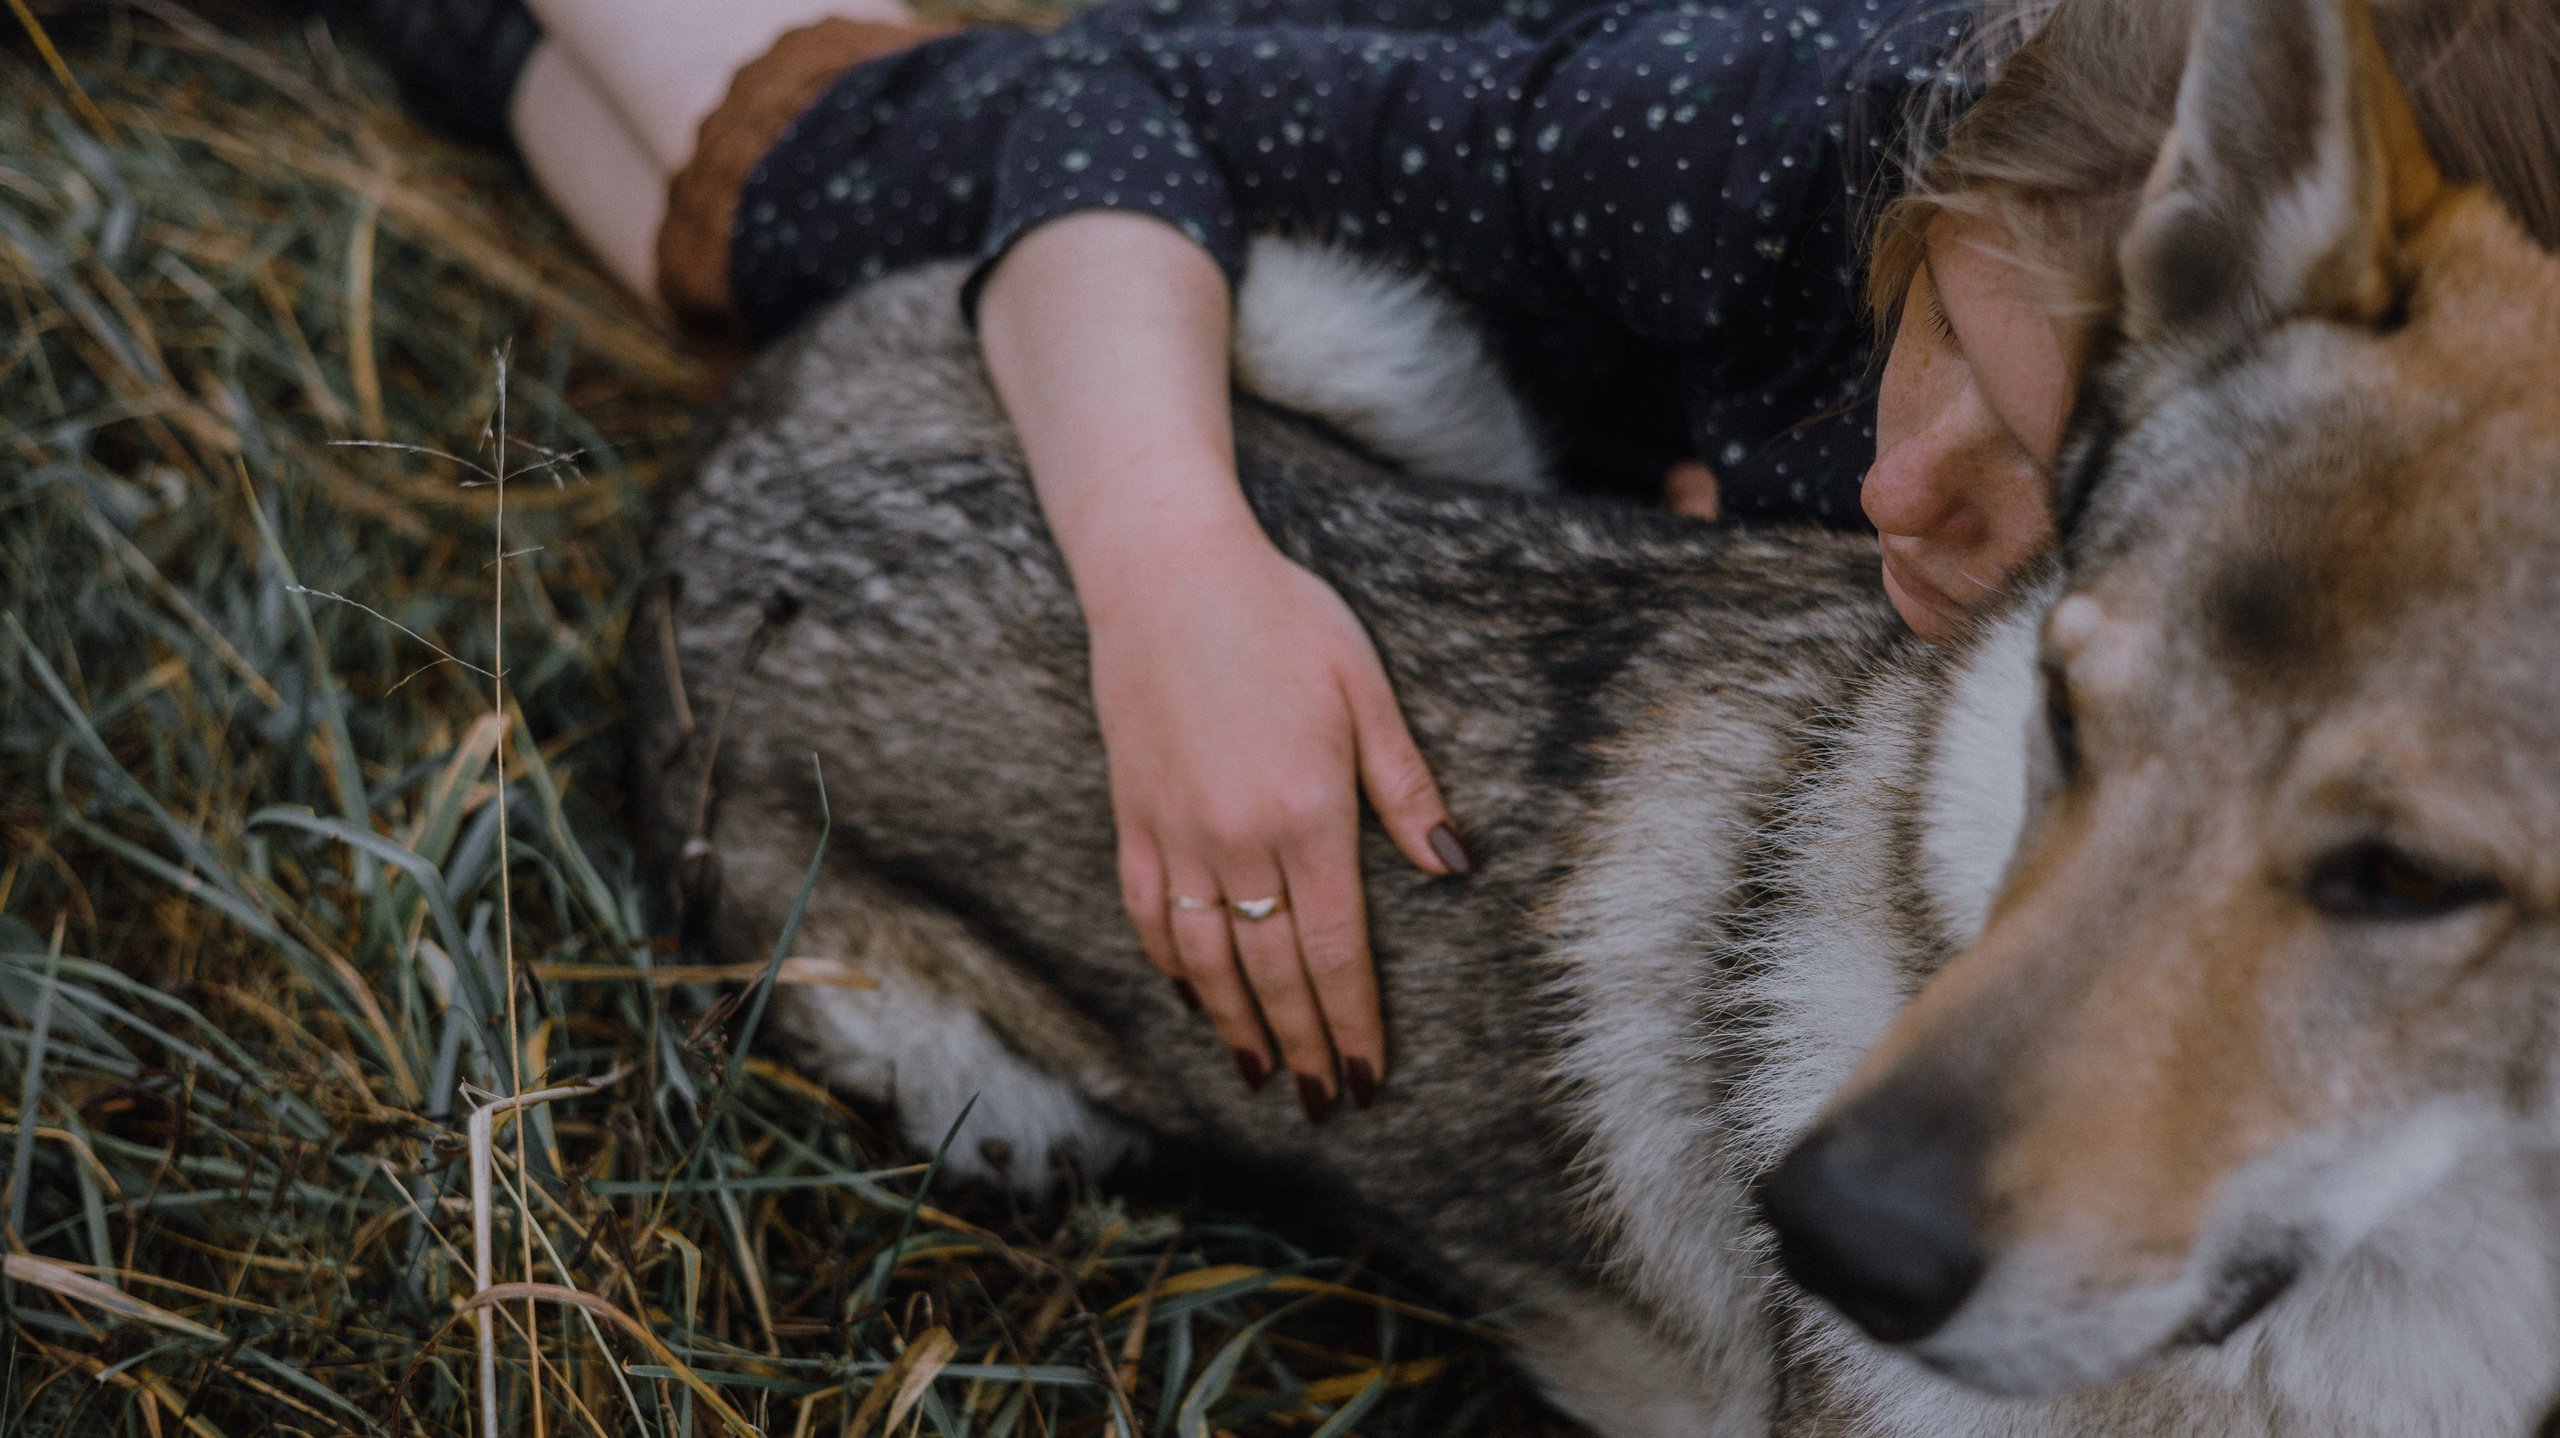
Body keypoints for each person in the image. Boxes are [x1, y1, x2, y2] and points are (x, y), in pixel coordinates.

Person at [332, 0, 2560, 1120]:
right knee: (780, 194)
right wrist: (1176, 575)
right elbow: (1105, 113)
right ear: (1950, 186)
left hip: (1471, 263)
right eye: (1954, 345)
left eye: (2063, 467)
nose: (1923, 496)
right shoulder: (1785, 136)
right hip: (1289, 136)